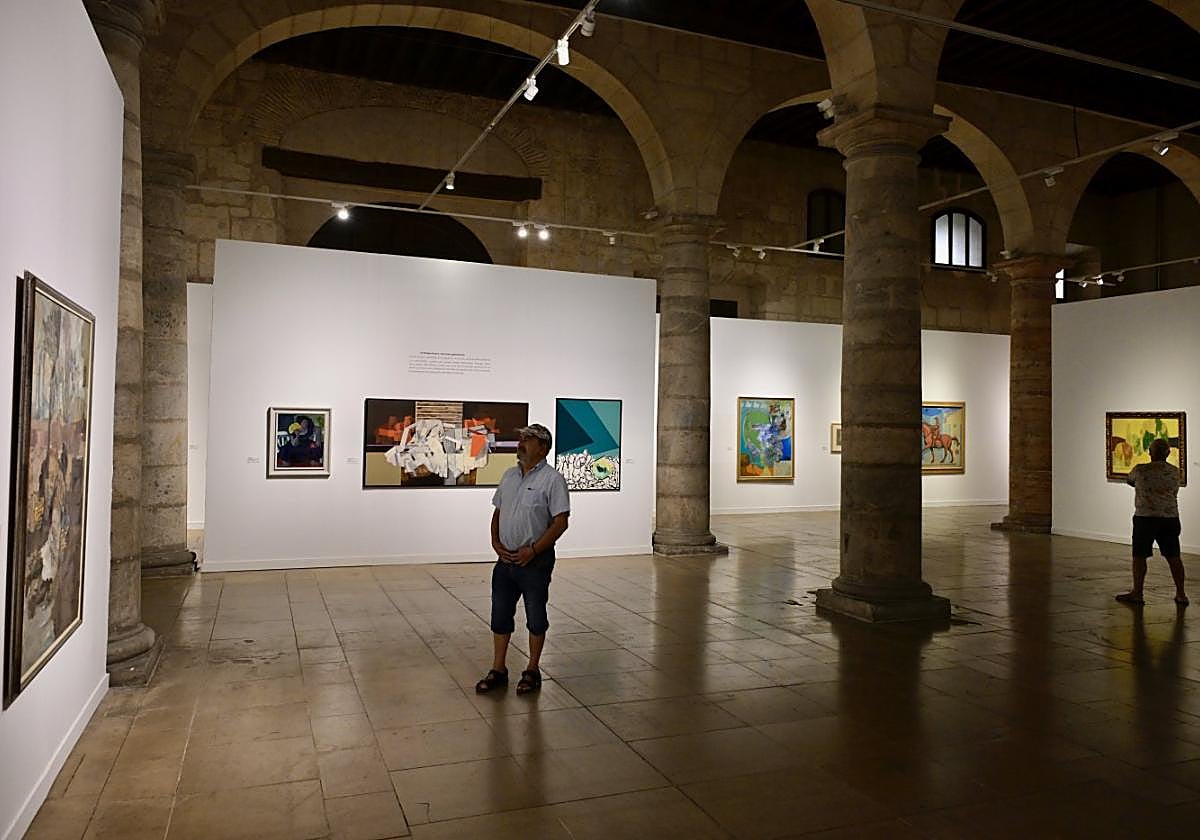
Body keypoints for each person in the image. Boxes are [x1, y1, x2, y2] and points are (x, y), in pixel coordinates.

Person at [475, 423, 570, 695]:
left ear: (543, 448)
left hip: (535, 563)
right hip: (505, 562)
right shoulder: (509, 476)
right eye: (521, 438)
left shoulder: (552, 480)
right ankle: (499, 669)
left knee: (535, 616)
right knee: (500, 615)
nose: (521, 443)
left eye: (528, 439)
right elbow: (498, 512)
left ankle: (532, 669)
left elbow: (560, 522)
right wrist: (495, 542)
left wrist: (535, 549)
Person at [1116, 438, 1188, 606]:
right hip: (1170, 518)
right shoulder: (1175, 472)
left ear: (1150, 453)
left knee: (1139, 556)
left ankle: (1138, 593)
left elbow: (1130, 481)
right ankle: (1181, 593)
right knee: (1174, 557)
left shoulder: (1140, 470)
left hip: (1145, 518)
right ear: (1168, 453)